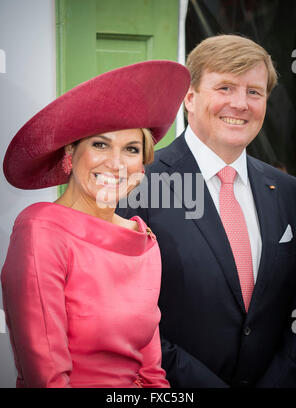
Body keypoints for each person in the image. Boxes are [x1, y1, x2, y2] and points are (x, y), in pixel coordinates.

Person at [117, 35, 296, 387]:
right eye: (225, 87)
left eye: (254, 92)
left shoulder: (290, 193)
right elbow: (125, 319)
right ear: (190, 98)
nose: (240, 104)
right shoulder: (139, 185)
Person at [1, 60, 190, 388]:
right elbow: (46, 380)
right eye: (100, 144)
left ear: (142, 166)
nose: (116, 163)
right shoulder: (40, 230)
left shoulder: (144, 240)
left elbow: (152, 373)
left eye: (131, 149)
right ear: (70, 152)